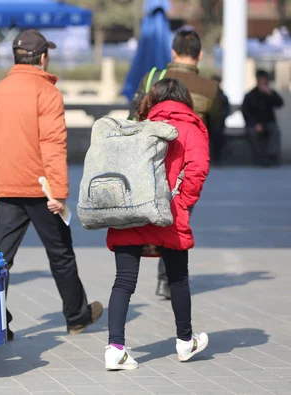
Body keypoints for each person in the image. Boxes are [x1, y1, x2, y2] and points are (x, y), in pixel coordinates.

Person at [0, 29, 103, 342]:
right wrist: (59, 194)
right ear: (43, 57)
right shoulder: (46, 92)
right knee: (60, 254)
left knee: (0, 260)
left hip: (7, 188)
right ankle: (76, 316)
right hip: (42, 190)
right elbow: (53, 144)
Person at [105, 79, 210, 370]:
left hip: (131, 211)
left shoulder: (140, 124)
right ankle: (185, 341)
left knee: (124, 281)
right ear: (184, 99)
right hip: (169, 213)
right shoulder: (191, 127)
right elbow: (198, 169)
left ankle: (115, 349)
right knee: (178, 278)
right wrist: (182, 203)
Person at [129, 26, 225, 300]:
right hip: (186, 164)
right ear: (200, 55)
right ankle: (167, 280)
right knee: (179, 217)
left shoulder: (153, 78)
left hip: (149, 161)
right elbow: (216, 124)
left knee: (147, 215)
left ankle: (130, 275)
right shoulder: (210, 88)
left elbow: (133, 114)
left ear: (173, 51)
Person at [242, 69, 285, 167]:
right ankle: (260, 157)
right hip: (254, 124)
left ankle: (271, 157)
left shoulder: (270, 93)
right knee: (252, 133)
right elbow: (246, 112)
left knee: (275, 132)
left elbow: (280, 104)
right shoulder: (250, 95)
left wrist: (271, 94)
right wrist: (255, 124)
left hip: (269, 122)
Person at [209, 75, 231, 165]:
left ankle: (217, 158)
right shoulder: (207, 95)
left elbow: (226, 110)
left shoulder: (223, 96)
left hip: (219, 124)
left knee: (218, 138)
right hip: (208, 124)